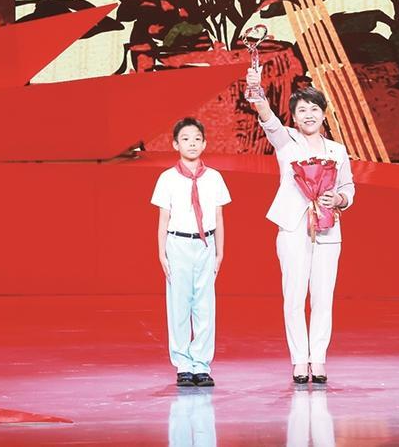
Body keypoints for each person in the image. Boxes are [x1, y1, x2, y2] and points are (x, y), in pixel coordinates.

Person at [245, 73, 354, 386]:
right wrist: (255, 87)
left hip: (328, 228)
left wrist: (340, 199)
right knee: (293, 296)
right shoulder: (286, 142)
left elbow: (348, 186)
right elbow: (267, 116)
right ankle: (299, 360)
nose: (309, 115)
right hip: (293, 226)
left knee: (323, 296)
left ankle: (318, 358)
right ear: (294, 117)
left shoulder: (337, 150)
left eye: (314, 109)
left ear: (324, 114)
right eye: (302, 110)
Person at [151, 117, 230, 387]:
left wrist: (219, 252)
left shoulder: (214, 178)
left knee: (205, 306)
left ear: (205, 143)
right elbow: (163, 218)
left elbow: (218, 217)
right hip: (178, 244)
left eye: (197, 139)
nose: (192, 144)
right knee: (179, 305)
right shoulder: (167, 178)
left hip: (206, 244)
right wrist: (161, 253)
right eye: (185, 139)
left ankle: (202, 364)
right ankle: (183, 364)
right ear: (175, 144)